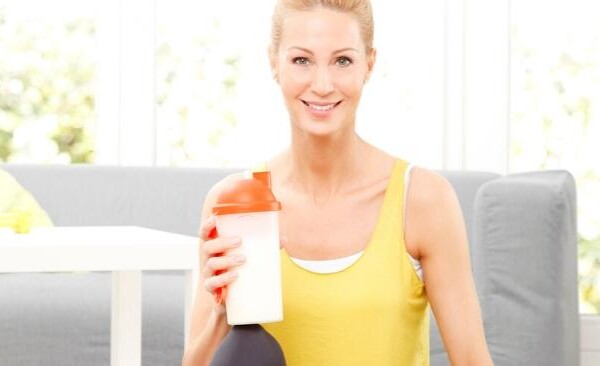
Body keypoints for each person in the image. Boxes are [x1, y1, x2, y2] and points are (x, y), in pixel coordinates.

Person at [182, 0, 493, 365]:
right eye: (302, 60)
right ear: (273, 62)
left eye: (342, 60)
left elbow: (472, 360)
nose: (323, 84)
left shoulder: (423, 200)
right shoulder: (236, 203)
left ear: (369, 65)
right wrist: (224, 313)